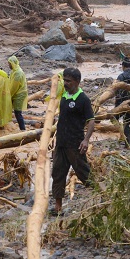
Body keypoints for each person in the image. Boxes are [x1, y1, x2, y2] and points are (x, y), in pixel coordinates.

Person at [51, 67, 95, 215]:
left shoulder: (83, 99)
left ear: (77, 81)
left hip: (75, 144)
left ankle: (101, 196)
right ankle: (58, 206)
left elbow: (91, 121)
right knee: (58, 173)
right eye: (64, 80)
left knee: (84, 173)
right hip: (61, 142)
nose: (65, 83)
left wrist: (86, 140)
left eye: (69, 81)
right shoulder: (64, 96)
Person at [115, 59, 130, 145]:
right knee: (127, 121)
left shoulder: (121, 76)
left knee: (114, 118)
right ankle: (127, 138)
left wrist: (117, 103)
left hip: (122, 102)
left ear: (123, 66)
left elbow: (117, 91)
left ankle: (125, 138)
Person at [7, 56, 28, 131]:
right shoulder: (14, 71)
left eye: (9, 64)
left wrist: (9, 95)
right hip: (16, 93)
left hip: (19, 94)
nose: (9, 65)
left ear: (13, 63)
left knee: (18, 112)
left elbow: (14, 87)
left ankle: (23, 129)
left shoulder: (18, 73)